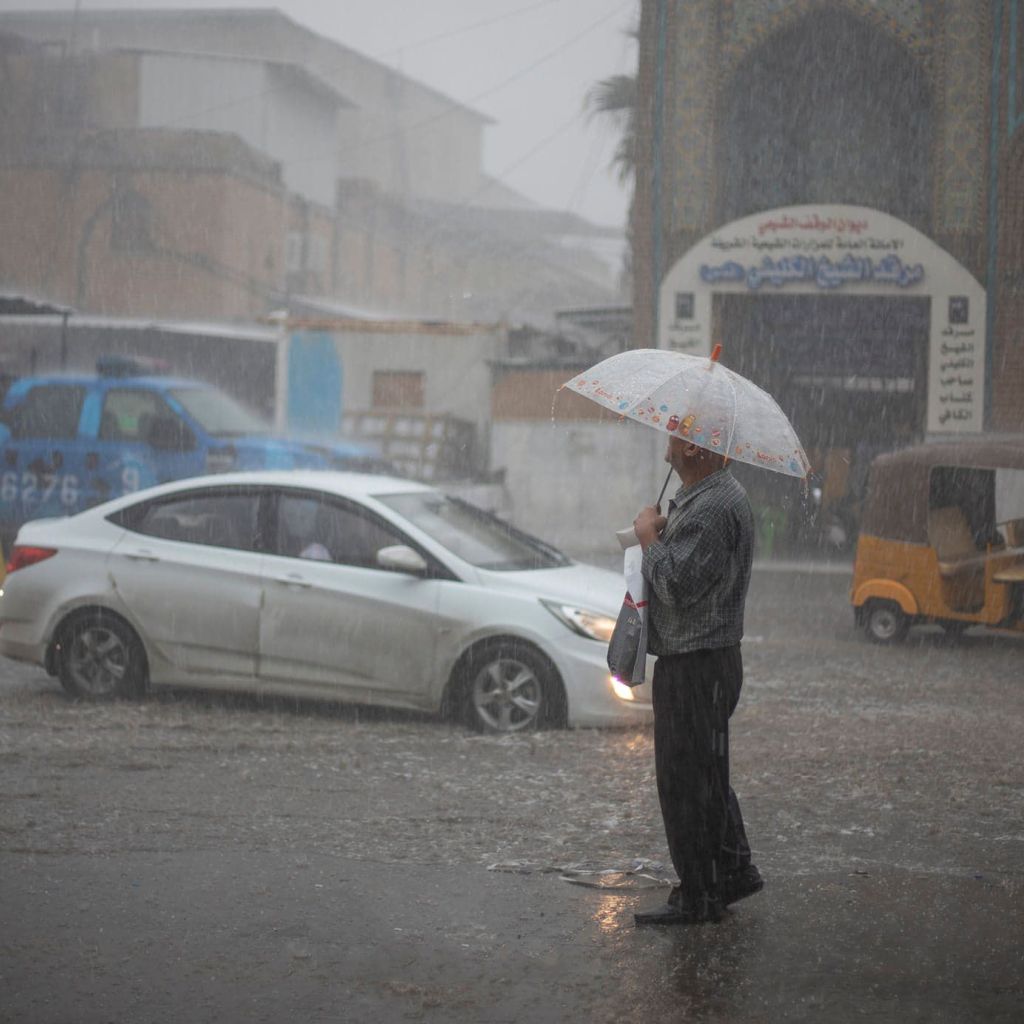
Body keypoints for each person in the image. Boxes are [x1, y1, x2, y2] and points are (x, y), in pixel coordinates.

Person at [631, 435, 763, 926]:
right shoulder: (710, 497)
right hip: (705, 660)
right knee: (706, 775)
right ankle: (729, 872)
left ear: (696, 450)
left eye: (674, 436)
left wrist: (648, 538)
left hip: (696, 663)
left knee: (685, 782)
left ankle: (699, 897)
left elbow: (677, 585)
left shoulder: (713, 507)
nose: (665, 444)